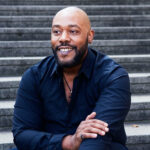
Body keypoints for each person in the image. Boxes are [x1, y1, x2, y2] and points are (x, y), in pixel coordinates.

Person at [12, 7, 131, 150]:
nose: (63, 38)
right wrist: (69, 142)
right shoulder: (34, 76)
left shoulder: (113, 76)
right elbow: (22, 135)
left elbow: (96, 138)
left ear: (90, 36)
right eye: (57, 32)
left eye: (73, 31)